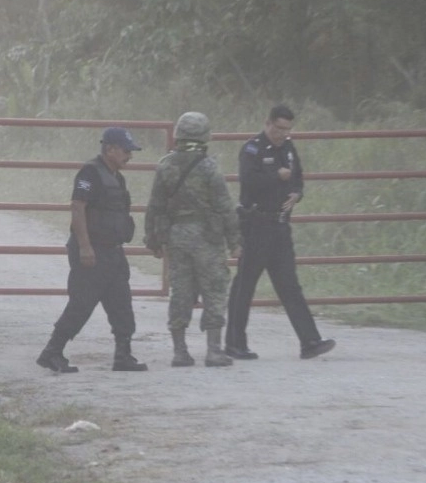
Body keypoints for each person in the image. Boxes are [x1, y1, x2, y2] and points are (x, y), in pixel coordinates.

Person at [225, 105, 336, 360]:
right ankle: (234, 343)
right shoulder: (252, 149)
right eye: (279, 129)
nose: (282, 134)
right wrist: (276, 176)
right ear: (268, 124)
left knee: (290, 285)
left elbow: (297, 178)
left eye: (287, 130)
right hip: (256, 224)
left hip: (280, 226)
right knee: (245, 286)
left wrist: (297, 193)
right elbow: (249, 181)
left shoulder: (288, 148)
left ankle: (310, 341)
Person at [36, 127, 148, 373]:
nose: (130, 156)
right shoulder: (90, 172)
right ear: (110, 149)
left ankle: (123, 355)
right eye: (126, 151)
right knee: (81, 304)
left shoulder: (116, 177)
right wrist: (85, 247)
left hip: (113, 252)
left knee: (122, 304)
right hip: (93, 251)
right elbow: (78, 207)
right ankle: (52, 352)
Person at [143, 112, 241, 368]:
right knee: (214, 289)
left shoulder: (165, 165)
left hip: (177, 236)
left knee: (181, 291)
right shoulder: (210, 167)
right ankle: (213, 350)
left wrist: (152, 239)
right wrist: (235, 241)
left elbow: (155, 206)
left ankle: (180, 351)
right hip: (207, 237)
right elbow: (224, 207)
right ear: (205, 136)